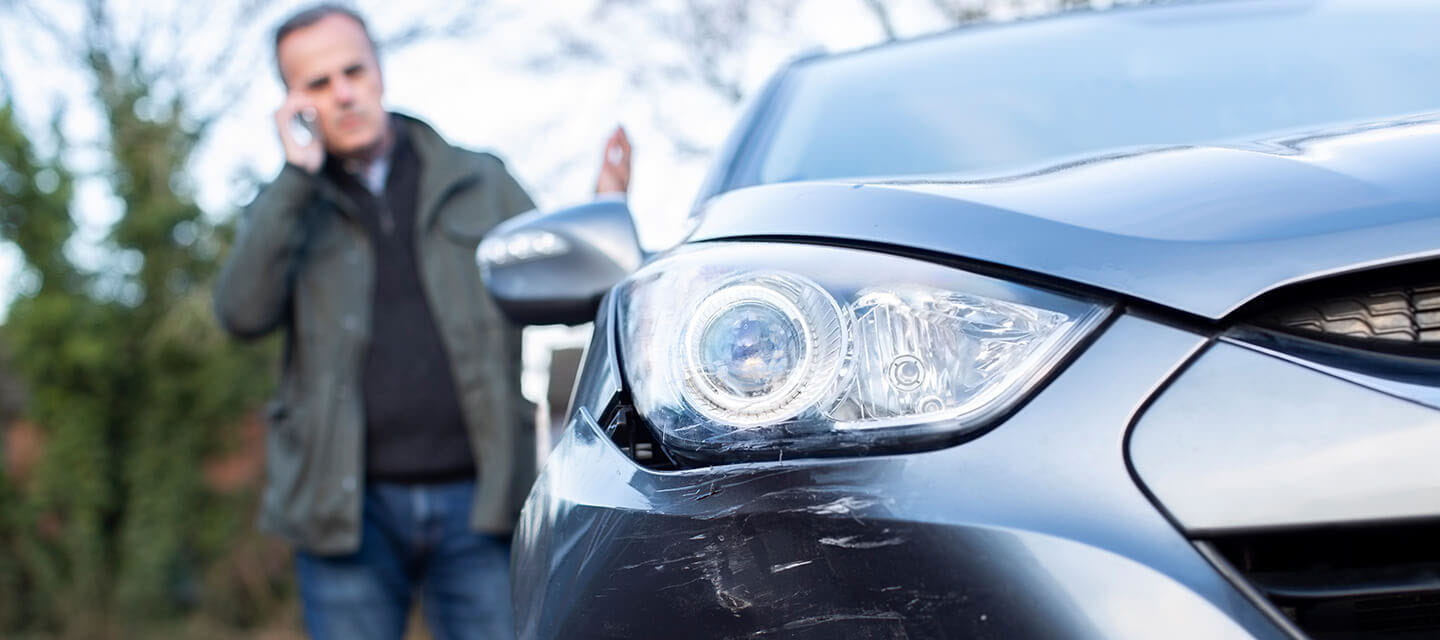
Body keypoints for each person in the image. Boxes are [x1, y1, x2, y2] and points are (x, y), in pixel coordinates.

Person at [212, 5, 631, 639]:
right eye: (318, 85)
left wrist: (602, 220)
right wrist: (295, 179)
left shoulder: (478, 180)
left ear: (379, 69)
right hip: (345, 510)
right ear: (292, 102)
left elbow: (566, 289)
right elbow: (241, 314)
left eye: (353, 71)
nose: (344, 93)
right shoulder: (287, 207)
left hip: (483, 499)